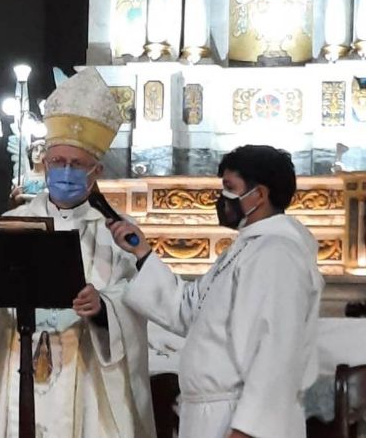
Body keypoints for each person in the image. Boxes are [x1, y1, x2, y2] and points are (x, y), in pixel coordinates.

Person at [0, 68, 155, 438]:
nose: (64, 171)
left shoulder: (117, 234)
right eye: (57, 161)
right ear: (43, 163)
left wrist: (104, 309)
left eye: (76, 164)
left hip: (87, 376)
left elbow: (138, 305)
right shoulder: (12, 224)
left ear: (96, 171)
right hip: (16, 365)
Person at [108, 145, 323, 438]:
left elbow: (276, 350)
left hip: (238, 418)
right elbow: (189, 310)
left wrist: (248, 429)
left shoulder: (277, 254)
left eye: (229, 188)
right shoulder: (247, 248)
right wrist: (141, 252)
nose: (220, 199)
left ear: (259, 195)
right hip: (212, 415)